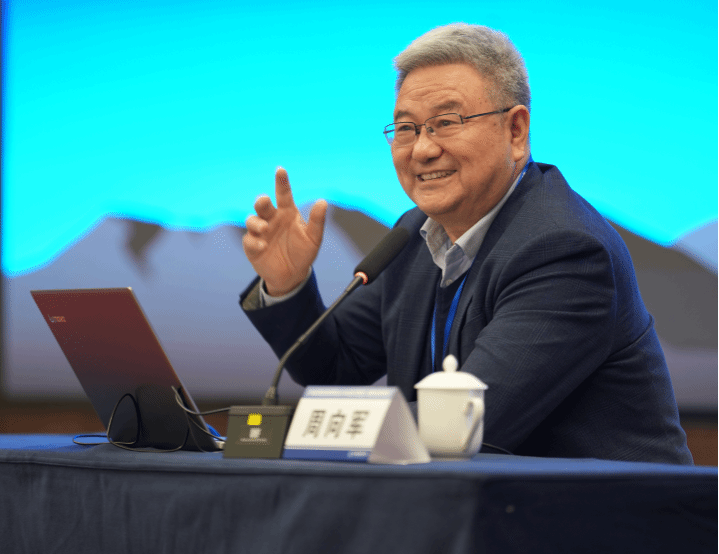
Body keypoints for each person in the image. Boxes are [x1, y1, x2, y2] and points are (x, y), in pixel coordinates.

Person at [239, 24, 692, 464]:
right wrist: (287, 286)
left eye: (446, 122)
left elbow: (465, 426)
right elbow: (335, 367)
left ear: (515, 131)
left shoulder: (566, 250)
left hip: (603, 512)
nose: (421, 149)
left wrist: (297, 433)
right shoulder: (414, 234)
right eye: (406, 128)